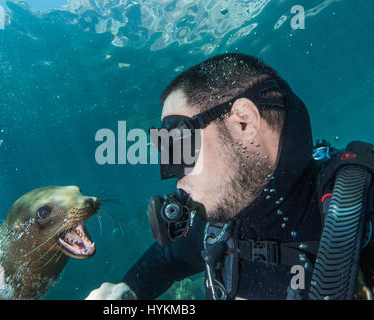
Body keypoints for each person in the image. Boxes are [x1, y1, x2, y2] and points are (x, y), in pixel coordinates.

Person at [86, 53, 374, 300]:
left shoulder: (361, 210)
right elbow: (167, 258)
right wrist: (126, 290)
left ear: (244, 122)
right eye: (168, 153)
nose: (177, 180)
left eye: (179, 144)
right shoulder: (219, 230)